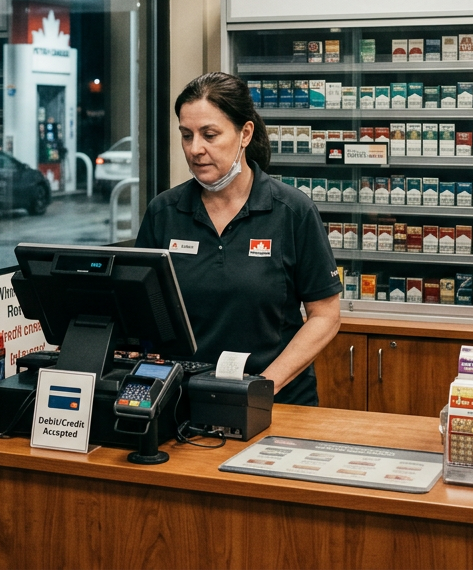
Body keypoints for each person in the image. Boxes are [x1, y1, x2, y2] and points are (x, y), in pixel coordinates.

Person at [135, 72, 342, 406]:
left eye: (209, 135)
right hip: (184, 403)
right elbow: (141, 312)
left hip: (276, 402)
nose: (195, 149)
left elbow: (326, 316)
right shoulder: (165, 213)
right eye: (186, 136)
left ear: (245, 133)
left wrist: (262, 387)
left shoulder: (291, 211)